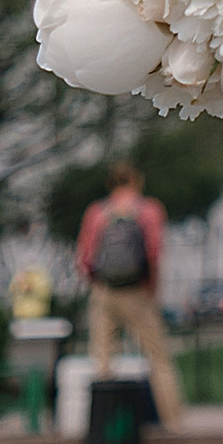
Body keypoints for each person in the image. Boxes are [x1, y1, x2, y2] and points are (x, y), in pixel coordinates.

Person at [74, 159, 184, 426]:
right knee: (159, 359)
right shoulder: (149, 210)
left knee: (102, 359)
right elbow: (154, 253)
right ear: (137, 180)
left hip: (105, 291)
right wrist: (152, 289)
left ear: (111, 183)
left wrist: (98, 284)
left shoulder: (98, 211)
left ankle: (102, 424)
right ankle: (174, 424)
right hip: (138, 292)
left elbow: (85, 258)